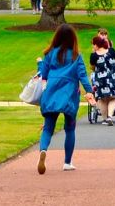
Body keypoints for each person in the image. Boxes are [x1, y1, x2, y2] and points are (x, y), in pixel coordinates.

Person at [37, 24, 95, 174]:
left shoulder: (50, 53)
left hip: (52, 91)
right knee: (70, 128)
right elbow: (82, 75)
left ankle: (43, 150)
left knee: (48, 127)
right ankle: (67, 162)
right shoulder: (76, 56)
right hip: (69, 93)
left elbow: (43, 74)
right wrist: (89, 91)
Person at [90, 35, 115, 125]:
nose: (92, 46)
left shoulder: (93, 55)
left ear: (96, 45)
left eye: (93, 44)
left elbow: (92, 67)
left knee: (102, 99)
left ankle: (105, 119)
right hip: (113, 77)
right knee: (114, 97)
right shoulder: (111, 51)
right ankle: (109, 117)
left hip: (101, 80)